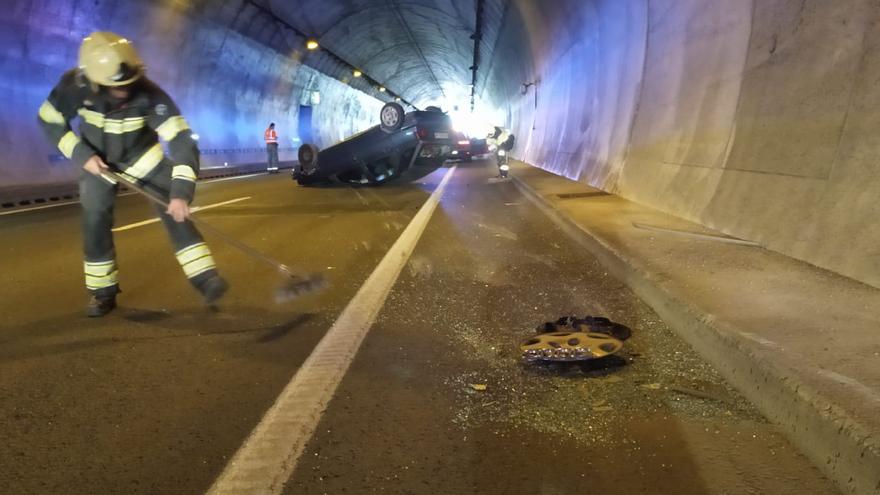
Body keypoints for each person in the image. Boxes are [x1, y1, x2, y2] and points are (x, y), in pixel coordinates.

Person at [37, 31, 228, 317]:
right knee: (95, 218)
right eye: (115, 87)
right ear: (93, 79)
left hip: (143, 159)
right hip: (97, 162)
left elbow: (180, 139)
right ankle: (103, 293)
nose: (124, 91)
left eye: (129, 84)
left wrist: (180, 194)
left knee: (173, 208)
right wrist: (81, 155)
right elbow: (49, 119)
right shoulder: (74, 86)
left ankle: (205, 278)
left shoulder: (151, 95)